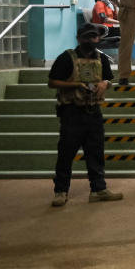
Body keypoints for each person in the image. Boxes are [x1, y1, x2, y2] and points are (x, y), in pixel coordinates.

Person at [47, 23, 123, 207]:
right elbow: (52, 82)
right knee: (66, 153)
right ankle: (61, 191)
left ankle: (98, 189)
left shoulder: (101, 59)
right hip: (71, 111)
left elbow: (107, 79)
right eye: (87, 37)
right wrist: (75, 85)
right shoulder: (66, 58)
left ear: (98, 39)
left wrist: (105, 84)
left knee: (96, 152)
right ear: (79, 38)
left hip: (93, 111)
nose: (91, 40)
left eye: (94, 37)